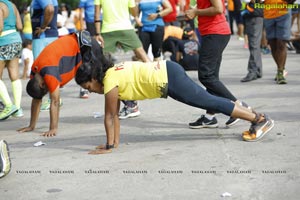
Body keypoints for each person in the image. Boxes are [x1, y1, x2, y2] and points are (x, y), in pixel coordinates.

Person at [74, 47, 275, 154]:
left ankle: (257, 119)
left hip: (168, 78)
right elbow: (114, 116)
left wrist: (108, 147)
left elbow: (109, 116)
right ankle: (253, 116)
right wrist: (113, 143)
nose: (90, 91)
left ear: (93, 78)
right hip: (167, 74)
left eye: (88, 87)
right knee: (208, 100)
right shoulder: (111, 74)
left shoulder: (109, 80)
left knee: (209, 102)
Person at [17, 31, 99, 137]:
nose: (48, 91)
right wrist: (31, 126)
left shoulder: (49, 73)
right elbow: (36, 100)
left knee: (104, 80)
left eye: (45, 91)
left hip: (86, 45)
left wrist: (53, 128)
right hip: (80, 45)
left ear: (42, 85)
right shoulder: (35, 72)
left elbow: (55, 101)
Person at [185, 0, 250, 129]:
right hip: (213, 33)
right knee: (212, 78)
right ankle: (210, 117)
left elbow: (218, 9)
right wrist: (194, 10)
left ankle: (239, 106)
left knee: (206, 76)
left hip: (215, 33)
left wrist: (196, 11)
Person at [94, 0, 151, 119]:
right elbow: (134, 11)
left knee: (102, 68)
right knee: (144, 57)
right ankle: (158, 78)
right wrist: (135, 13)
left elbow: (97, 14)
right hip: (125, 27)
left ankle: (129, 104)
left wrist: (97, 33)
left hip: (107, 30)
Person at [31, 0, 59, 111]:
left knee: (39, 71)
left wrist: (43, 27)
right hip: (49, 37)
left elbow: (50, 9)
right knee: (51, 70)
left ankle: (43, 100)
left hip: (43, 38)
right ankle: (54, 98)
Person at [0, 0, 23, 120]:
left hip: (3, 41)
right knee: (14, 75)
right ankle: (17, 108)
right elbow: (20, 26)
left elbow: (0, 27)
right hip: (16, 40)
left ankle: (8, 106)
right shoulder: (12, 5)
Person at [263, 0, 292, 84]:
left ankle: (280, 72)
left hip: (283, 12)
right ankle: (280, 68)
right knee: (273, 44)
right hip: (268, 13)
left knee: (281, 43)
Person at [240, 0, 263, 82]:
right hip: (253, 13)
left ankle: (253, 71)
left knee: (253, 44)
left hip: (254, 13)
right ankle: (257, 69)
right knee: (255, 44)